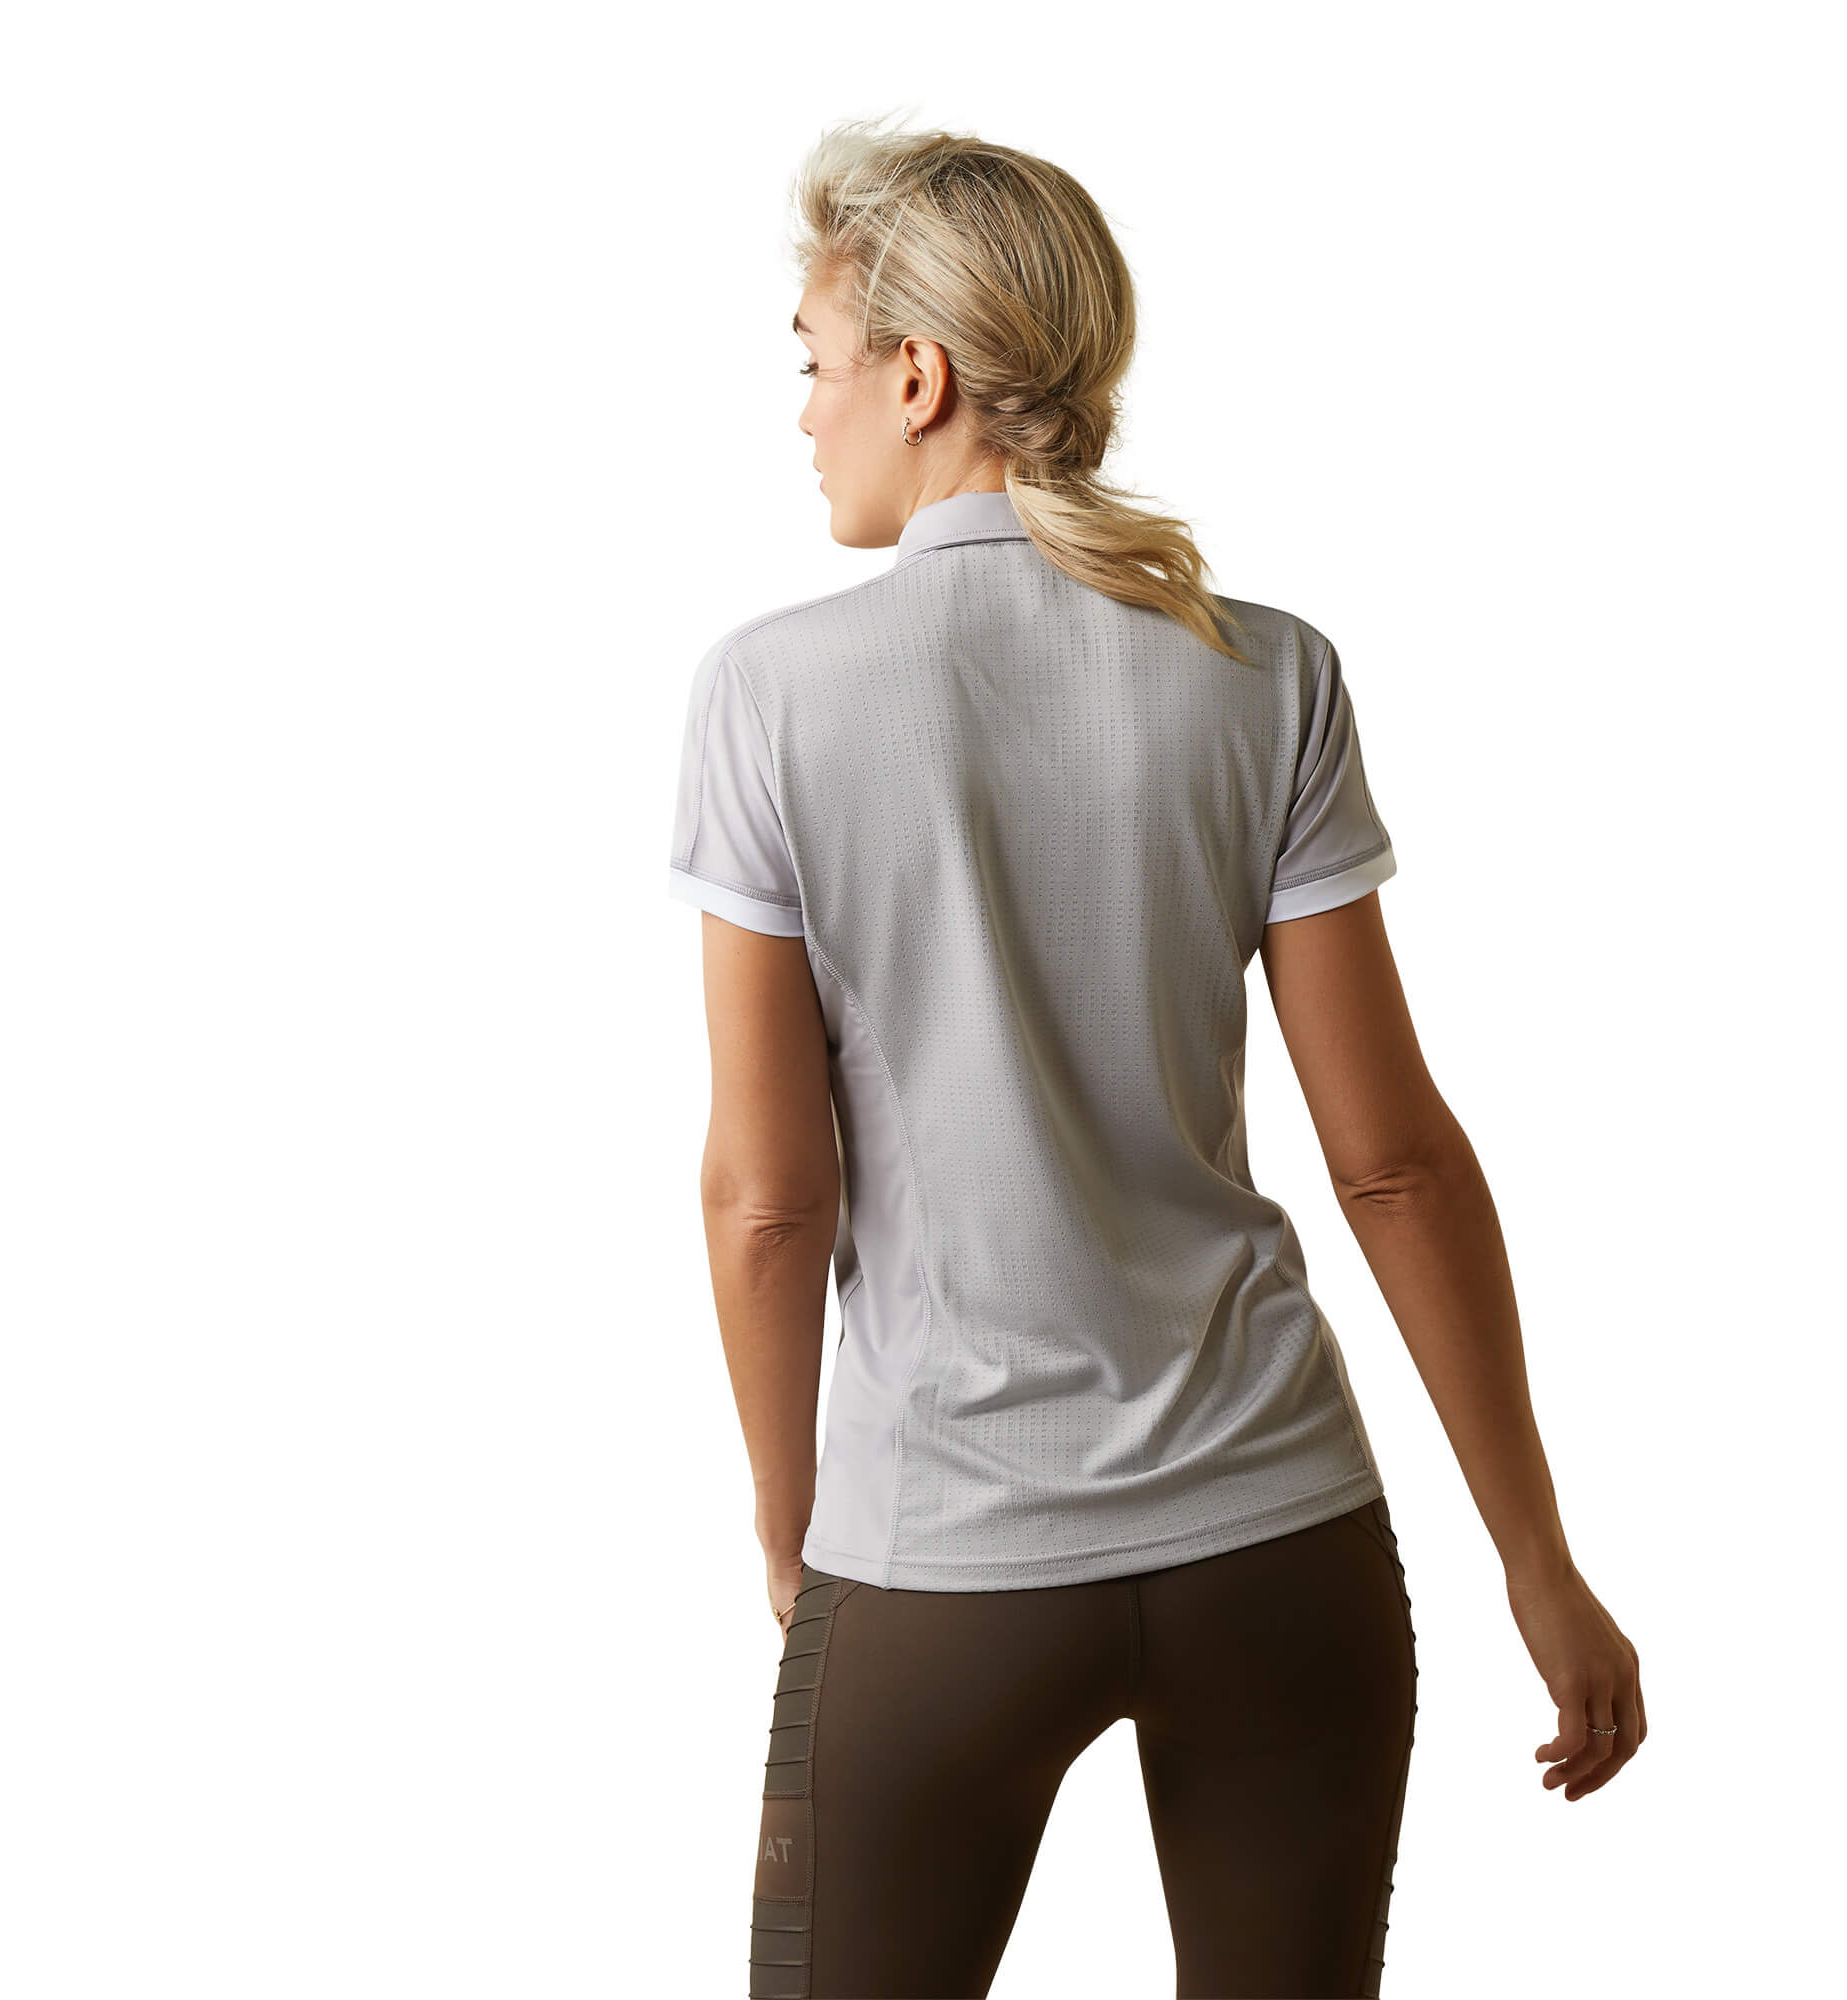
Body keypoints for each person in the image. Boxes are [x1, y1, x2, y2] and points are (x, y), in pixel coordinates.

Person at [670, 116, 1646, 2000]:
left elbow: (769, 1197)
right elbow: (1395, 1162)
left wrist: (794, 1541)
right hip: (1283, 1538)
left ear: (919, 376)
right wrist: (1538, 1561)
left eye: (815, 361)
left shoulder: (771, 696)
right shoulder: (1267, 671)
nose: (804, 413)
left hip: (937, 1558)